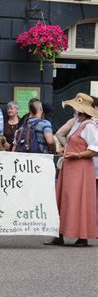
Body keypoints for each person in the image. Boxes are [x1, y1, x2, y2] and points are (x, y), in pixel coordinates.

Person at [45, 93, 98, 247]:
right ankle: (58, 235)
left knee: (77, 200)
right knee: (63, 199)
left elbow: (95, 148)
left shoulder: (89, 126)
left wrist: (78, 154)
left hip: (80, 168)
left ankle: (82, 236)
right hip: (70, 167)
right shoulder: (77, 122)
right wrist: (64, 149)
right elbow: (69, 138)